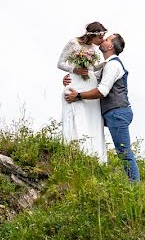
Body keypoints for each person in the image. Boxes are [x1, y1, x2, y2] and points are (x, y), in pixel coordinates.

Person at [64, 33, 140, 182]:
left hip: (118, 112)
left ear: (110, 46)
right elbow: (90, 77)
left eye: (106, 39)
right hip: (112, 113)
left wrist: (78, 95)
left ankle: (135, 187)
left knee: (123, 151)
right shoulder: (106, 65)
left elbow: (102, 91)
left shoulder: (113, 65)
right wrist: (70, 78)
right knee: (119, 150)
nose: (102, 40)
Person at [57, 22, 108, 162]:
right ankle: (73, 151)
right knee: (76, 114)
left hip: (89, 83)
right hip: (76, 82)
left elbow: (92, 68)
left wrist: (105, 63)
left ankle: (92, 153)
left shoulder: (94, 48)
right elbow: (60, 63)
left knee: (92, 118)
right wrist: (75, 70)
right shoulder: (73, 43)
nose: (102, 40)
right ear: (93, 35)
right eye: (101, 37)